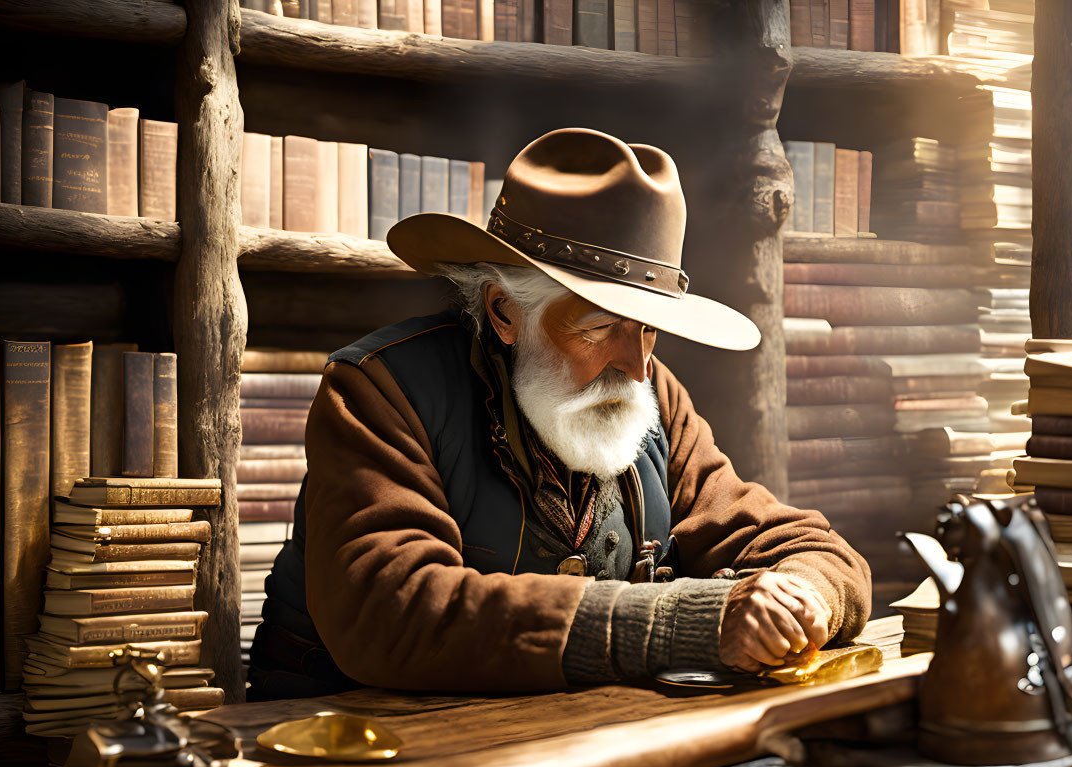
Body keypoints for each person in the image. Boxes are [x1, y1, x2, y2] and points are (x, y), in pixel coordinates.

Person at [248, 127, 870, 699]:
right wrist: (692, 622)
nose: (638, 367)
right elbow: (393, 610)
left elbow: (808, 545)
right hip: (354, 752)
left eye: (651, 330)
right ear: (503, 312)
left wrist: (803, 597)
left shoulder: (651, 397)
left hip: (569, 741)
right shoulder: (378, 391)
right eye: (601, 328)